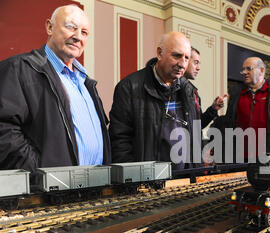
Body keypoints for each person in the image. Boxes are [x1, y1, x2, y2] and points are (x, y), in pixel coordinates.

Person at [0, 5, 111, 172]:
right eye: (70, 27)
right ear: (49, 27)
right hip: (50, 192)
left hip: (95, 188)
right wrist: (39, 172)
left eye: (84, 32)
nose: (77, 37)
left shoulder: (87, 82)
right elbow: (4, 130)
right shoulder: (17, 69)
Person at [109, 31, 199, 170]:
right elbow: (120, 142)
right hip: (147, 184)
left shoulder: (189, 92)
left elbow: (194, 139)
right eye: (176, 56)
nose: (182, 64)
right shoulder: (129, 88)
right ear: (159, 53)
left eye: (187, 58)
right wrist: (134, 181)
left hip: (184, 181)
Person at [216, 57, 270, 160]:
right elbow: (228, 124)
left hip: (268, 158)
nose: (244, 72)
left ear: (262, 70)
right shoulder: (236, 94)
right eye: (243, 69)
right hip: (239, 159)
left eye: (249, 69)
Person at [182, 47, 227, 129]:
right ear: (185, 61)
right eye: (195, 63)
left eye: (199, 64)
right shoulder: (171, 88)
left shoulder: (193, 92)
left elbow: (198, 126)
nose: (198, 68)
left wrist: (213, 108)